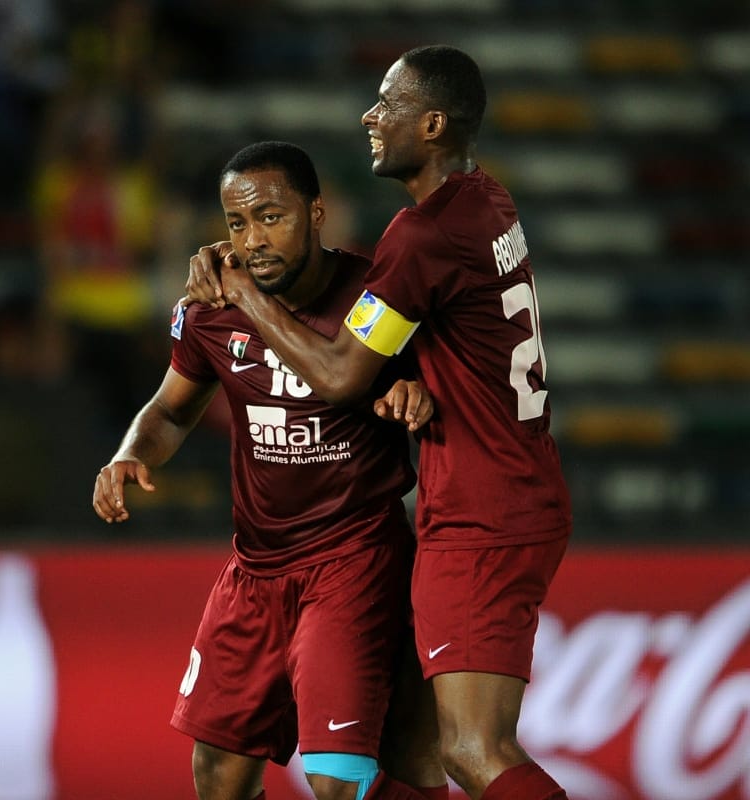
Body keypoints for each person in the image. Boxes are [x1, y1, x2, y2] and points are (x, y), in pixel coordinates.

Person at [185, 46, 573, 800]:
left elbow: (339, 375)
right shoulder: (487, 200)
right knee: (411, 751)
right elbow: (442, 333)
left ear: (431, 125)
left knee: (472, 750)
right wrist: (410, 382)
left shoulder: (421, 235)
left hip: (483, 513)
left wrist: (245, 293)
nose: (370, 116)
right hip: (510, 490)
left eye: (388, 103)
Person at [93, 141, 448, 800]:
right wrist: (130, 453)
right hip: (254, 570)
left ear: (316, 212)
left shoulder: (375, 296)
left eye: (271, 217)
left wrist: (416, 394)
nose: (253, 239)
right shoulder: (208, 310)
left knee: (337, 780)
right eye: (237, 222)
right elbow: (170, 410)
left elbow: (436, 384)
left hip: (353, 559)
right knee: (218, 776)